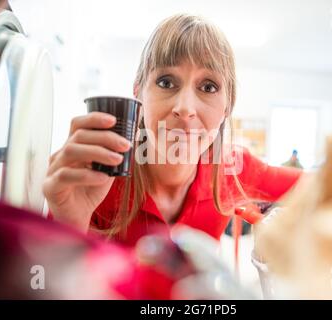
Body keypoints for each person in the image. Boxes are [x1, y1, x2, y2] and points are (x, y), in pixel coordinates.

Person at [43, 14, 302, 246]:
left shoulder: (233, 168)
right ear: (138, 93)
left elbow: (323, 186)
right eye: (166, 82)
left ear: (227, 107)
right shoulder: (98, 177)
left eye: (208, 87)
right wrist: (68, 222)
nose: (185, 108)